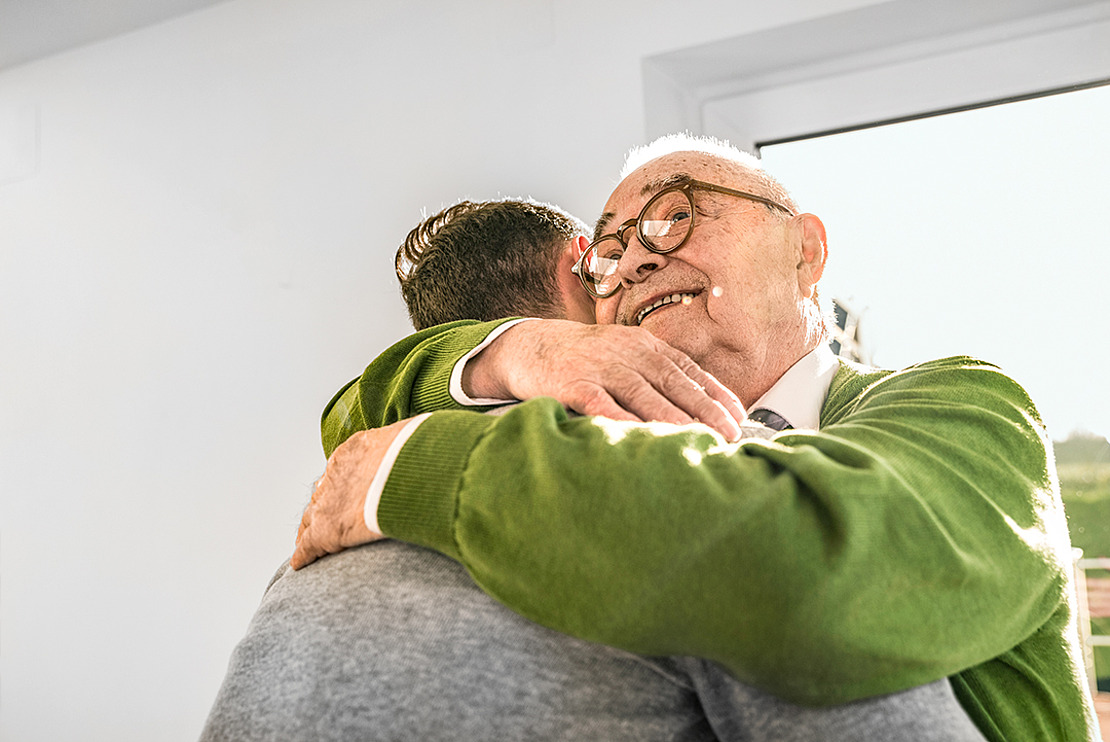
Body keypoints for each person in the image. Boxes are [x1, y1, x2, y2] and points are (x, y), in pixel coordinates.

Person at [293, 135, 1100, 741]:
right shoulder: (606, 443)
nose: (633, 262)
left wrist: (411, 466)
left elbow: (809, 571)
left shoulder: (965, 402)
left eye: (672, 217)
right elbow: (349, 413)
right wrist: (516, 350)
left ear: (804, 249)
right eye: (604, 259)